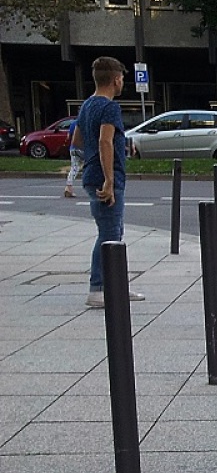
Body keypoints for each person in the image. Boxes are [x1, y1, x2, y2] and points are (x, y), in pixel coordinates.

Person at [77, 55, 143, 307]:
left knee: (113, 232)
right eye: (123, 78)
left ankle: (114, 286)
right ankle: (98, 289)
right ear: (116, 80)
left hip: (91, 174)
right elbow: (105, 141)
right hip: (106, 178)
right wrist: (108, 179)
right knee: (109, 234)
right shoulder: (109, 107)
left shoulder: (86, 105)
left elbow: (78, 142)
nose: (123, 82)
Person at [63, 120, 82, 198]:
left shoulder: (73, 123)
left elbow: (68, 136)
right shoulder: (87, 121)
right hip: (83, 148)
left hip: (73, 148)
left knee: (74, 168)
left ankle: (68, 187)